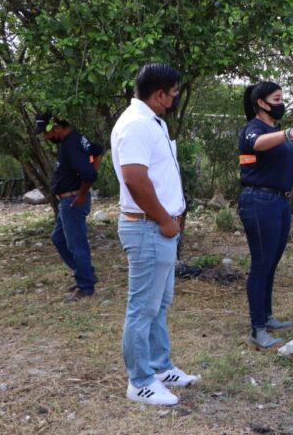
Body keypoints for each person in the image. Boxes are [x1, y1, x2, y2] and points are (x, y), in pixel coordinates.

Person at [111, 63, 199, 405]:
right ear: (159, 93)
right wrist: (164, 219)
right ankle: (140, 381)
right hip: (147, 227)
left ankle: (160, 367)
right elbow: (135, 177)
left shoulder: (151, 121)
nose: (175, 98)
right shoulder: (136, 125)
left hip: (159, 227)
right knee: (142, 308)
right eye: (173, 93)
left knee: (158, 304)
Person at [238, 81, 293, 348]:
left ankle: (267, 317)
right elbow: (258, 145)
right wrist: (288, 133)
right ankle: (257, 328)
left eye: (282, 98)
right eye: (276, 98)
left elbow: (269, 167)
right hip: (258, 201)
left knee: (271, 263)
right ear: (262, 103)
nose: (281, 103)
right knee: (261, 264)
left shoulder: (274, 130)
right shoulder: (254, 129)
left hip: (278, 202)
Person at [34, 113, 103, 302]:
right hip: (68, 200)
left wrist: (81, 194)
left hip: (72, 200)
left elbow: (89, 173)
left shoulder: (71, 143)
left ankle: (85, 286)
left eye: (46, 134)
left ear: (56, 127)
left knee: (76, 243)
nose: (46, 138)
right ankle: (86, 273)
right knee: (58, 238)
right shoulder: (76, 139)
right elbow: (97, 151)